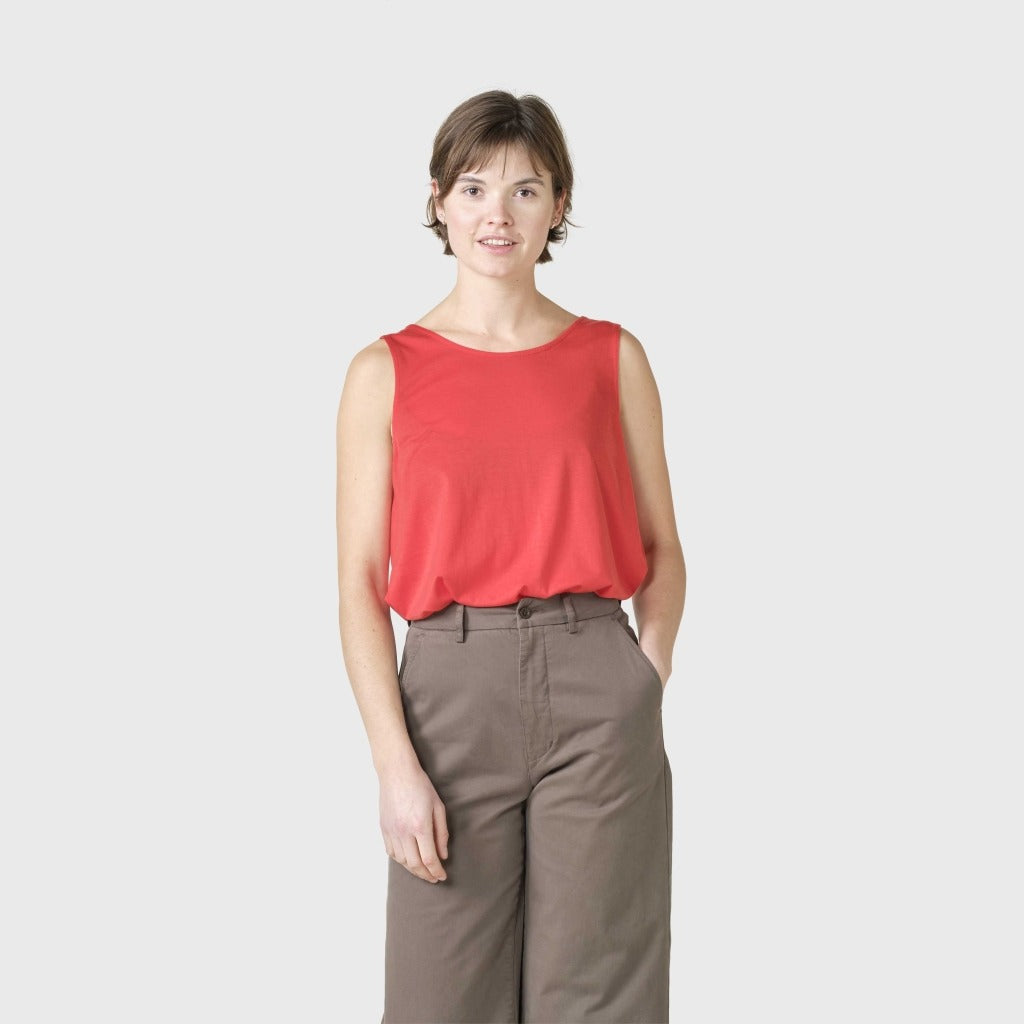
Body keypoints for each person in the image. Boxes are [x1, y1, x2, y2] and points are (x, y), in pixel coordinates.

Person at [336, 89, 686, 1023]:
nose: (498, 214)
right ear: (440, 201)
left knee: (598, 997)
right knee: (438, 999)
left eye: (525, 190)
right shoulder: (384, 371)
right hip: (448, 694)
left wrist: (641, 678)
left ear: (558, 204)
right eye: (474, 188)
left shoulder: (613, 358)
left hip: (596, 686)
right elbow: (359, 587)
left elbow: (662, 548)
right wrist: (395, 767)